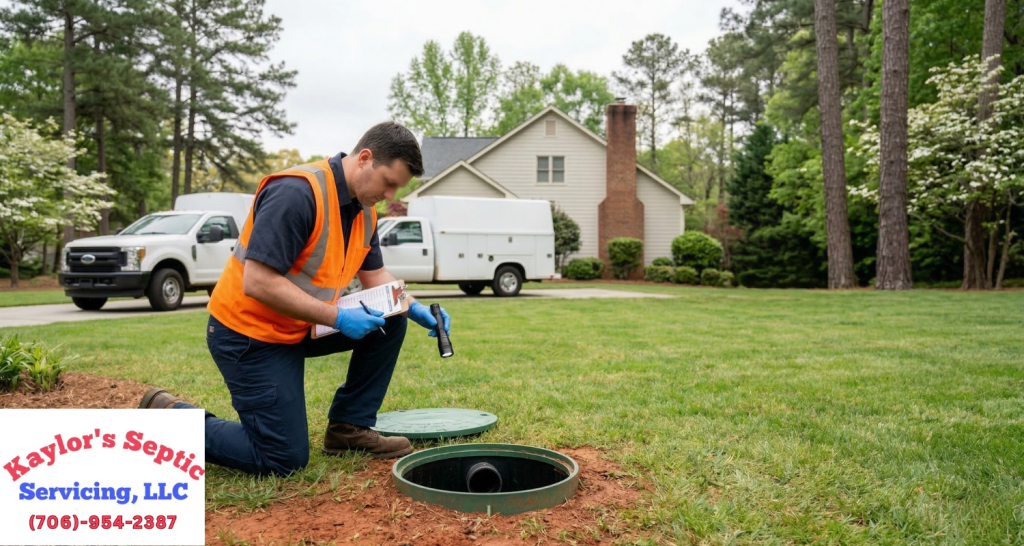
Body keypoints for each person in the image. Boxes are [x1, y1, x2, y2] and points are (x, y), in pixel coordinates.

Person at [138, 122, 451, 476]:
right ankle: (169, 417)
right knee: (282, 458)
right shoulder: (297, 193)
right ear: (364, 158)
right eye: (389, 183)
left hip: (301, 325)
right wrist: (338, 318)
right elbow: (258, 282)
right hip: (249, 335)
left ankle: (348, 429)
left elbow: (375, 275)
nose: (391, 196)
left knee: (391, 316)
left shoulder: (364, 210)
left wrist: (412, 306)